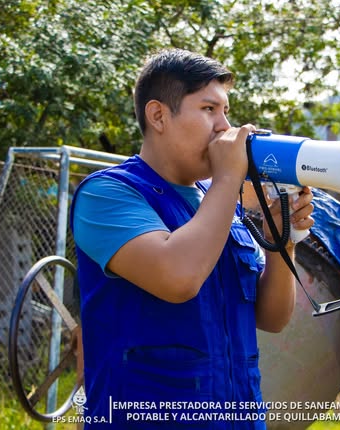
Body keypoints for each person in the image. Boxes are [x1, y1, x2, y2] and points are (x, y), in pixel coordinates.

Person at [70, 48, 315, 429]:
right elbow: (179, 278)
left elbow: (273, 317)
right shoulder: (107, 195)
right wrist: (229, 177)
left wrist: (282, 243)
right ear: (158, 116)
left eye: (225, 111)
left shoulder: (218, 203)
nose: (224, 126)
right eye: (208, 109)